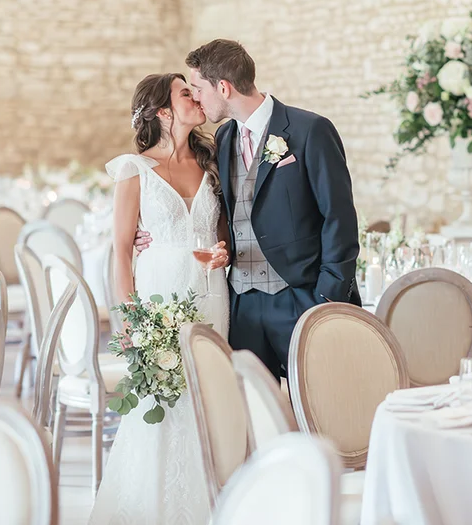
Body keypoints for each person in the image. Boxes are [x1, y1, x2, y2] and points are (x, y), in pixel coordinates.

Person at [135, 39, 360, 380]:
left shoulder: (309, 130)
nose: (195, 97)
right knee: (255, 413)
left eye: (198, 88)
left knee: (319, 405)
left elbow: (339, 218)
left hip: (301, 297)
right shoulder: (223, 139)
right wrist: (154, 232)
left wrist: (326, 297)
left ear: (223, 88)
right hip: (240, 303)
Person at [89, 73, 230, 525]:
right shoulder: (135, 170)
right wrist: (127, 318)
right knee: (163, 404)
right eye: (185, 93)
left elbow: (222, 234)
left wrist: (223, 251)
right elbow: (122, 251)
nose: (195, 98)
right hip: (159, 303)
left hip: (211, 299)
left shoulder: (212, 164)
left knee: (209, 400)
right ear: (164, 112)